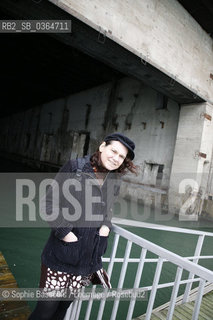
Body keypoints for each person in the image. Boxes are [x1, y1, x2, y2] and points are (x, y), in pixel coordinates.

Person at [28, 132, 136, 320]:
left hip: (86, 261)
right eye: (114, 151)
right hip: (60, 257)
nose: (116, 158)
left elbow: (107, 211)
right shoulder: (75, 168)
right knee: (45, 312)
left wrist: (105, 227)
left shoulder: (114, 180)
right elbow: (48, 204)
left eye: (121, 156)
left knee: (62, 310)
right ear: (102, 146)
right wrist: (66, 234)